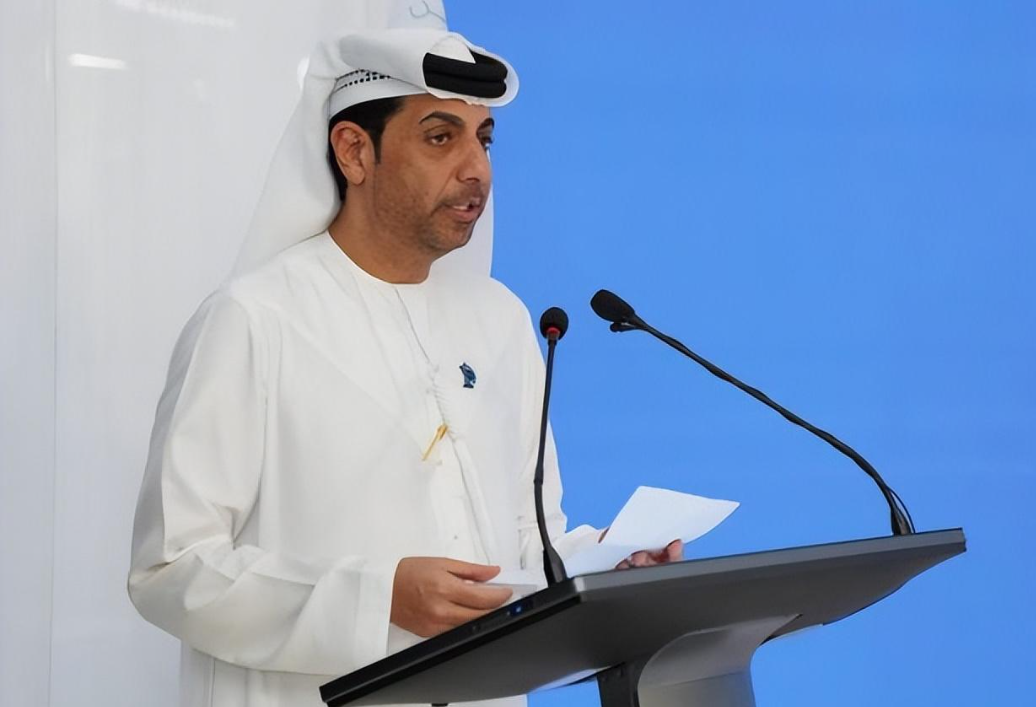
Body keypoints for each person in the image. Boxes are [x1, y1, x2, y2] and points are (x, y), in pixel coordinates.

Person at [128, 24, 681, 707]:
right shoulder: (254, 319)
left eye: (484, 140)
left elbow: (522, 542)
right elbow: (170, 569)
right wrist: (378, 598)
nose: (477, 169)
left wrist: (604, 565)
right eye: (440, 137)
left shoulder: (500, 319)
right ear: (354, 151)